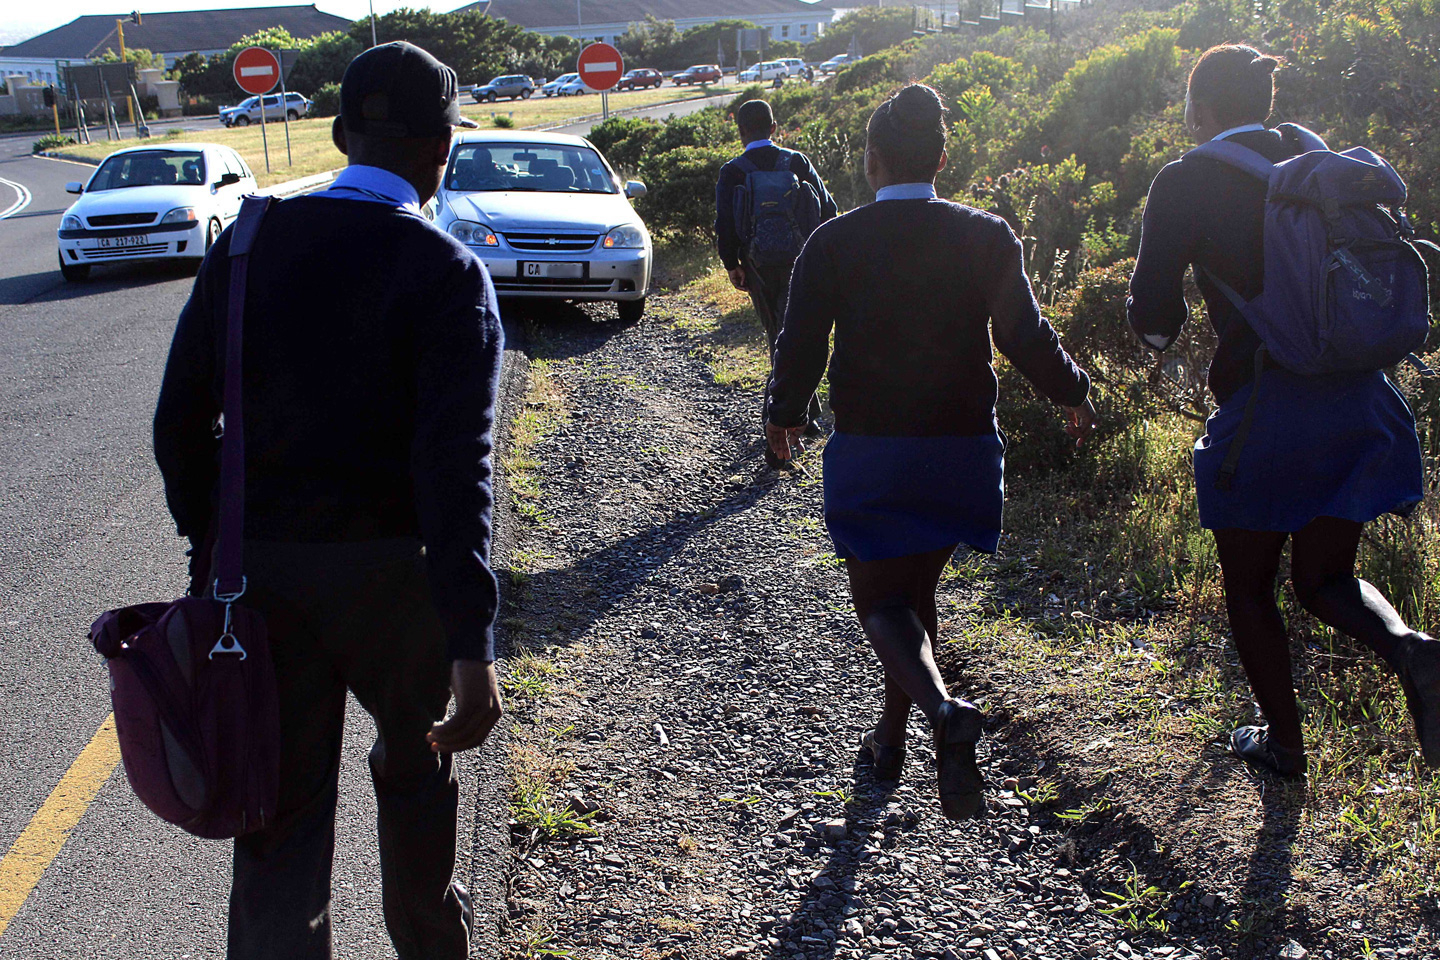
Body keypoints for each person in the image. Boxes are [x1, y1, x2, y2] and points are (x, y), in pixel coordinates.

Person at [153, 42, 504, 959]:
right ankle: (429, 941)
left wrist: (215, 547)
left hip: (261, 586)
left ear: (343, 135)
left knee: (280, 822)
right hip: (401, 583)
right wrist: (472, 645)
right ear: (443, 151)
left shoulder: (251, 242)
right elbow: (456, 473)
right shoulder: (446, 273)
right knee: (417, 775)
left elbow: (178, 425)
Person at [766, 84, 1097, 819]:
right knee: (917, 596)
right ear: (942, 157)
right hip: (964, 453)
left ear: (871, 160)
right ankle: (890, 738)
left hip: (876, 451)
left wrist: (783, 416)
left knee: (881, 601)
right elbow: (1024, 336)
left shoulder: (835, 241)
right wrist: (1072, 392)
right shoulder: (985, 234)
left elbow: (802, 343)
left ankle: (946, 716)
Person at [1127, 43, 1440, 777]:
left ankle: (1285, 744)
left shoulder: (1185, 178)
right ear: (1264, 103)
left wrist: (1156, 333)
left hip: (1266, 409)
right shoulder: (1316, 157)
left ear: (1200, 110)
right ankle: (1412, 650)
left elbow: (1154, 316)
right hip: (1360, 397)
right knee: (1325, 578)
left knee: (1250, 584)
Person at [715, 98, 838, 466]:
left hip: (757, 264)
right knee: (802, 330)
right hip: (801, 259)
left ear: (740, 131)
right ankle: (806, 413)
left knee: (778, 336)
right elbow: (828, 210)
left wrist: (732, 264)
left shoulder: (732, 171)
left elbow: (724, 224)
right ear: (774, 128)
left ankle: (787, 415)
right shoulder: (797, 162)